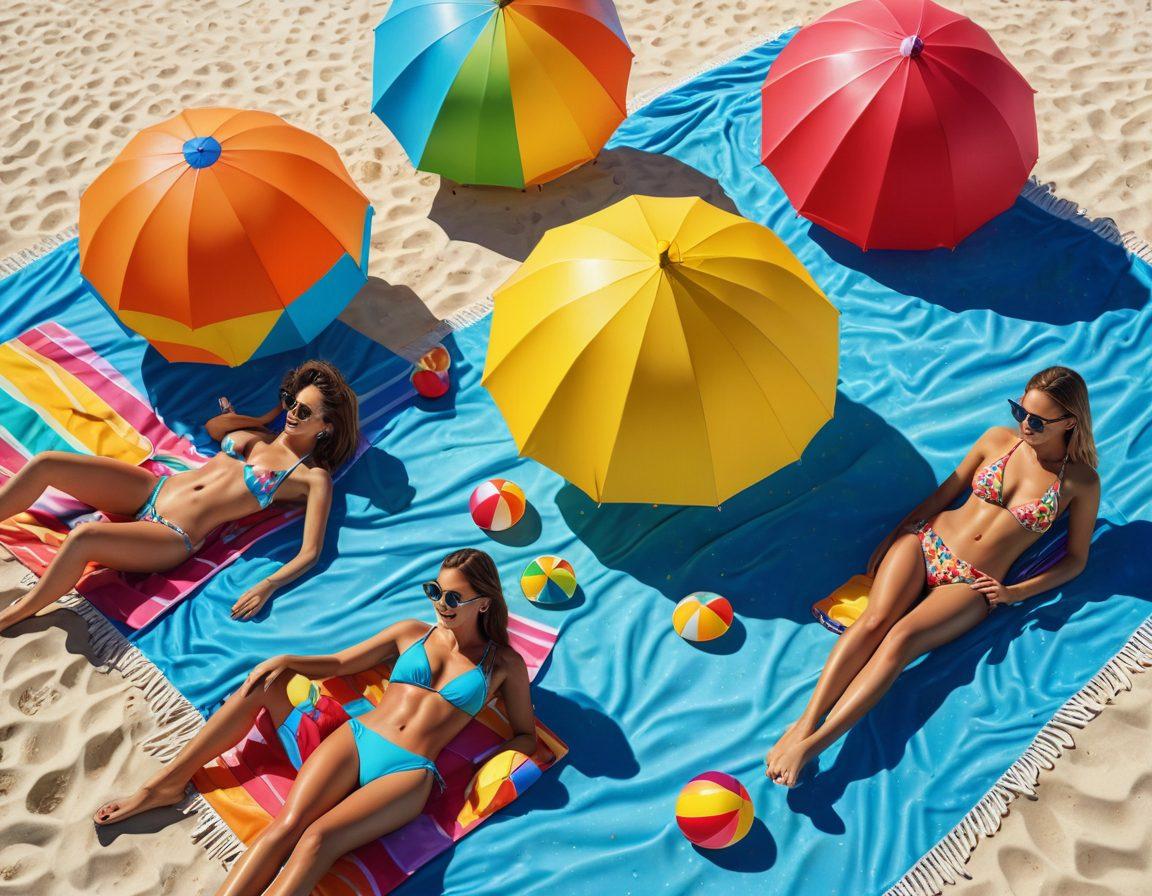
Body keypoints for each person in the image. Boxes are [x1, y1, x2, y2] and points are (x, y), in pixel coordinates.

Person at [93, 548, 536, 896]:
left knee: (318, 840)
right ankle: (163, 785)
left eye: (454, 597)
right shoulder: (411, 632)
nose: (441, 604)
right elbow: (341, 662)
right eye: (434, 591)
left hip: (408, 772)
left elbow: (525, 734)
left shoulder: (503, 666)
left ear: (484, 603)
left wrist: (489, 772)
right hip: (360, 737)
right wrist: (286, 659)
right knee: (287, 826)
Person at [765, 366, 1100, 787]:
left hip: (973, 581)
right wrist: (895, 534)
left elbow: (1075, 560)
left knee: (900, 641)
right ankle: (804, 724)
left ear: (1069, 422)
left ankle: (812, 748)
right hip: (928, 542)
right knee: (873, 621)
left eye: (1036, 420)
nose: (1023, 425)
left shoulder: (1080, 482)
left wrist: (1014, 593)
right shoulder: (998, 440)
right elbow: (945, 493)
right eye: (1020, 411)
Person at [0, 360, 358, 633]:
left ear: (326, 426)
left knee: (82, 539)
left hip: (173, 534)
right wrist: (268, 414)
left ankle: (14, 614)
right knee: (47, 464)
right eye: (291, 402)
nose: (294, 413)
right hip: (154, 489)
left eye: (304, 411)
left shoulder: (312, 478)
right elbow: (215, 429)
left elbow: (311, 552)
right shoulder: (261, 432)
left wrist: (267, 586)